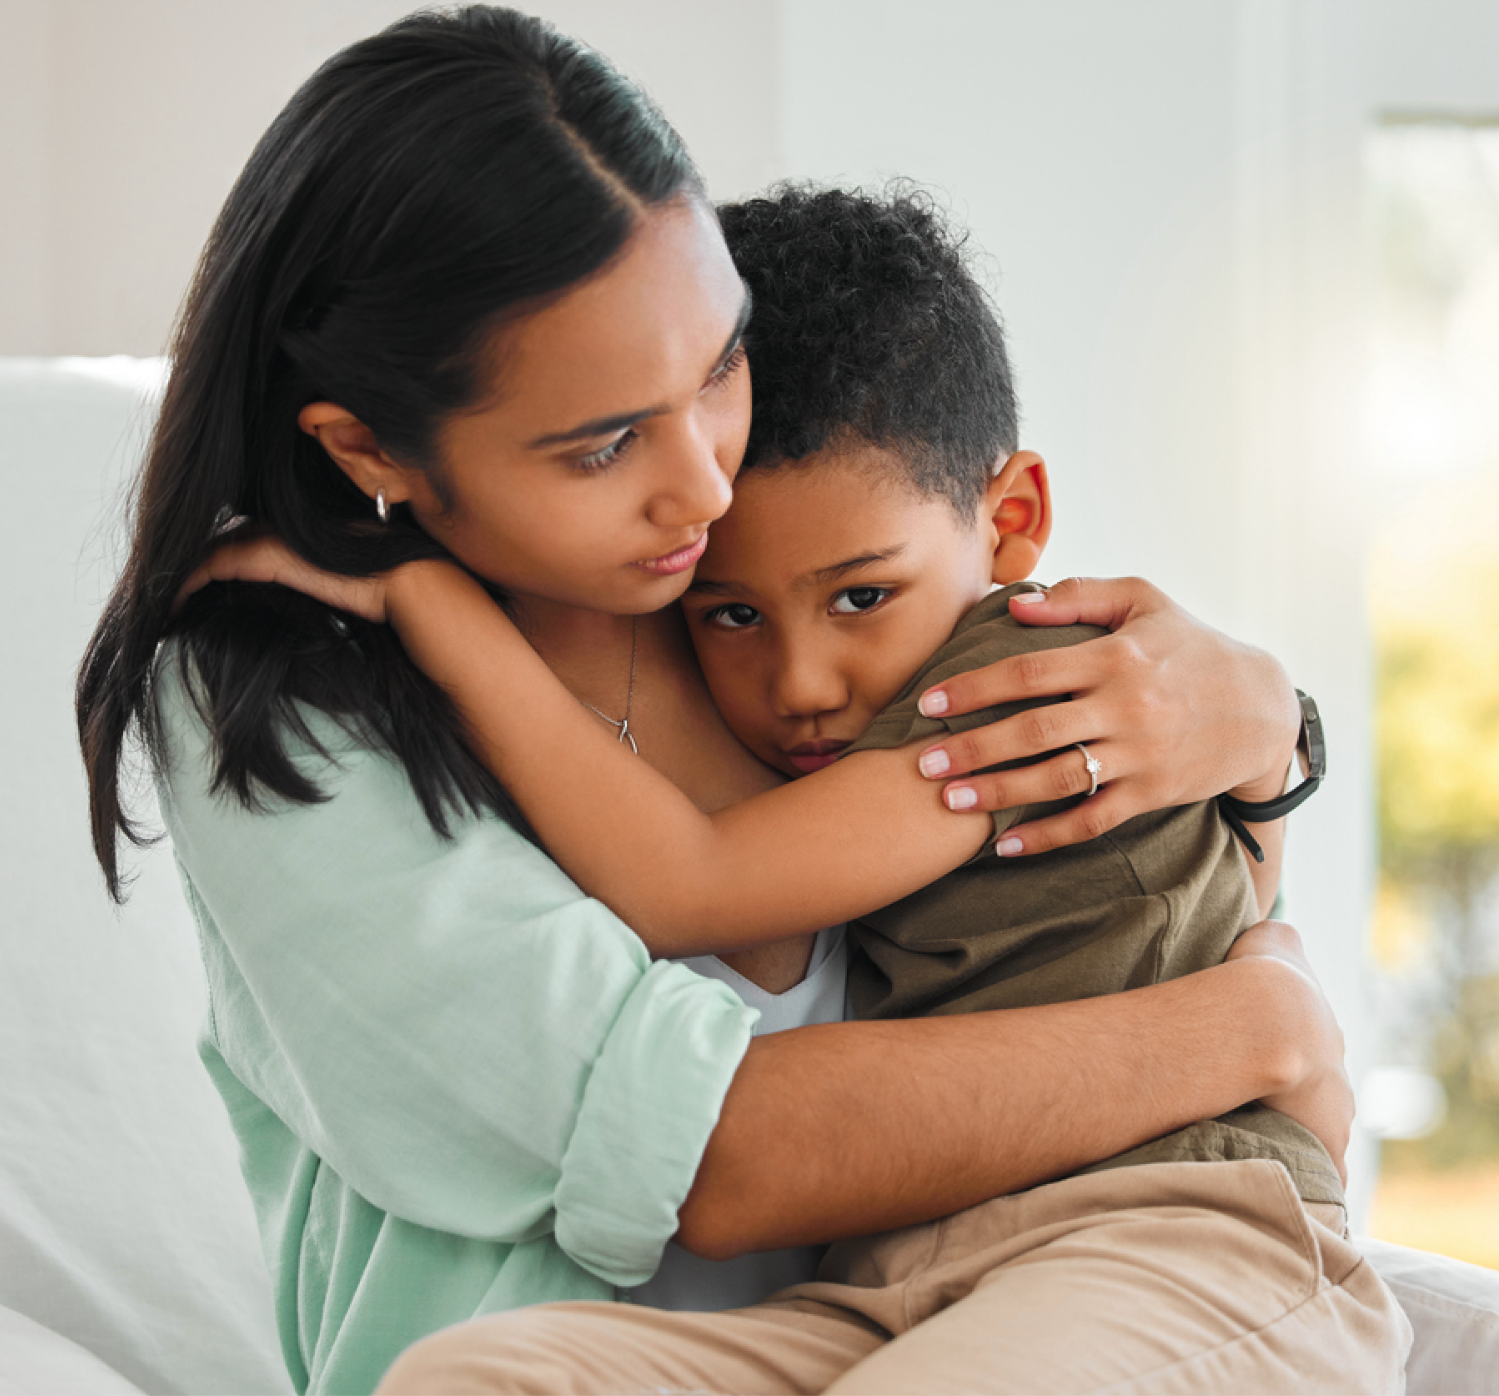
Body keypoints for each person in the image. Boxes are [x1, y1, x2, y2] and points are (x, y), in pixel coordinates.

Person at [76, 9, 1352, 1396]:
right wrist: (1244, 1031)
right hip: (798, 1328)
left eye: (721, 365)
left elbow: (1138, 884)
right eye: (607, 442)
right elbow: (709, 1154)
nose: (703, 484)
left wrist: (1268, 724)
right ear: (373, 449)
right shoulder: (276, 695)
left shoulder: (774, 586)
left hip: (1027, 1281)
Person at [350, 185, 1413, 1394]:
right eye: (734, 615)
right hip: (897, 1279)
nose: (800, 680)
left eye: (860, 597)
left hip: (1176, 1236)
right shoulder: (874, 730)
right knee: (478, 1378)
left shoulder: (1014, 690)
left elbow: (690, 882)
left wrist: (424, 600)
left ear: (1009, 521)